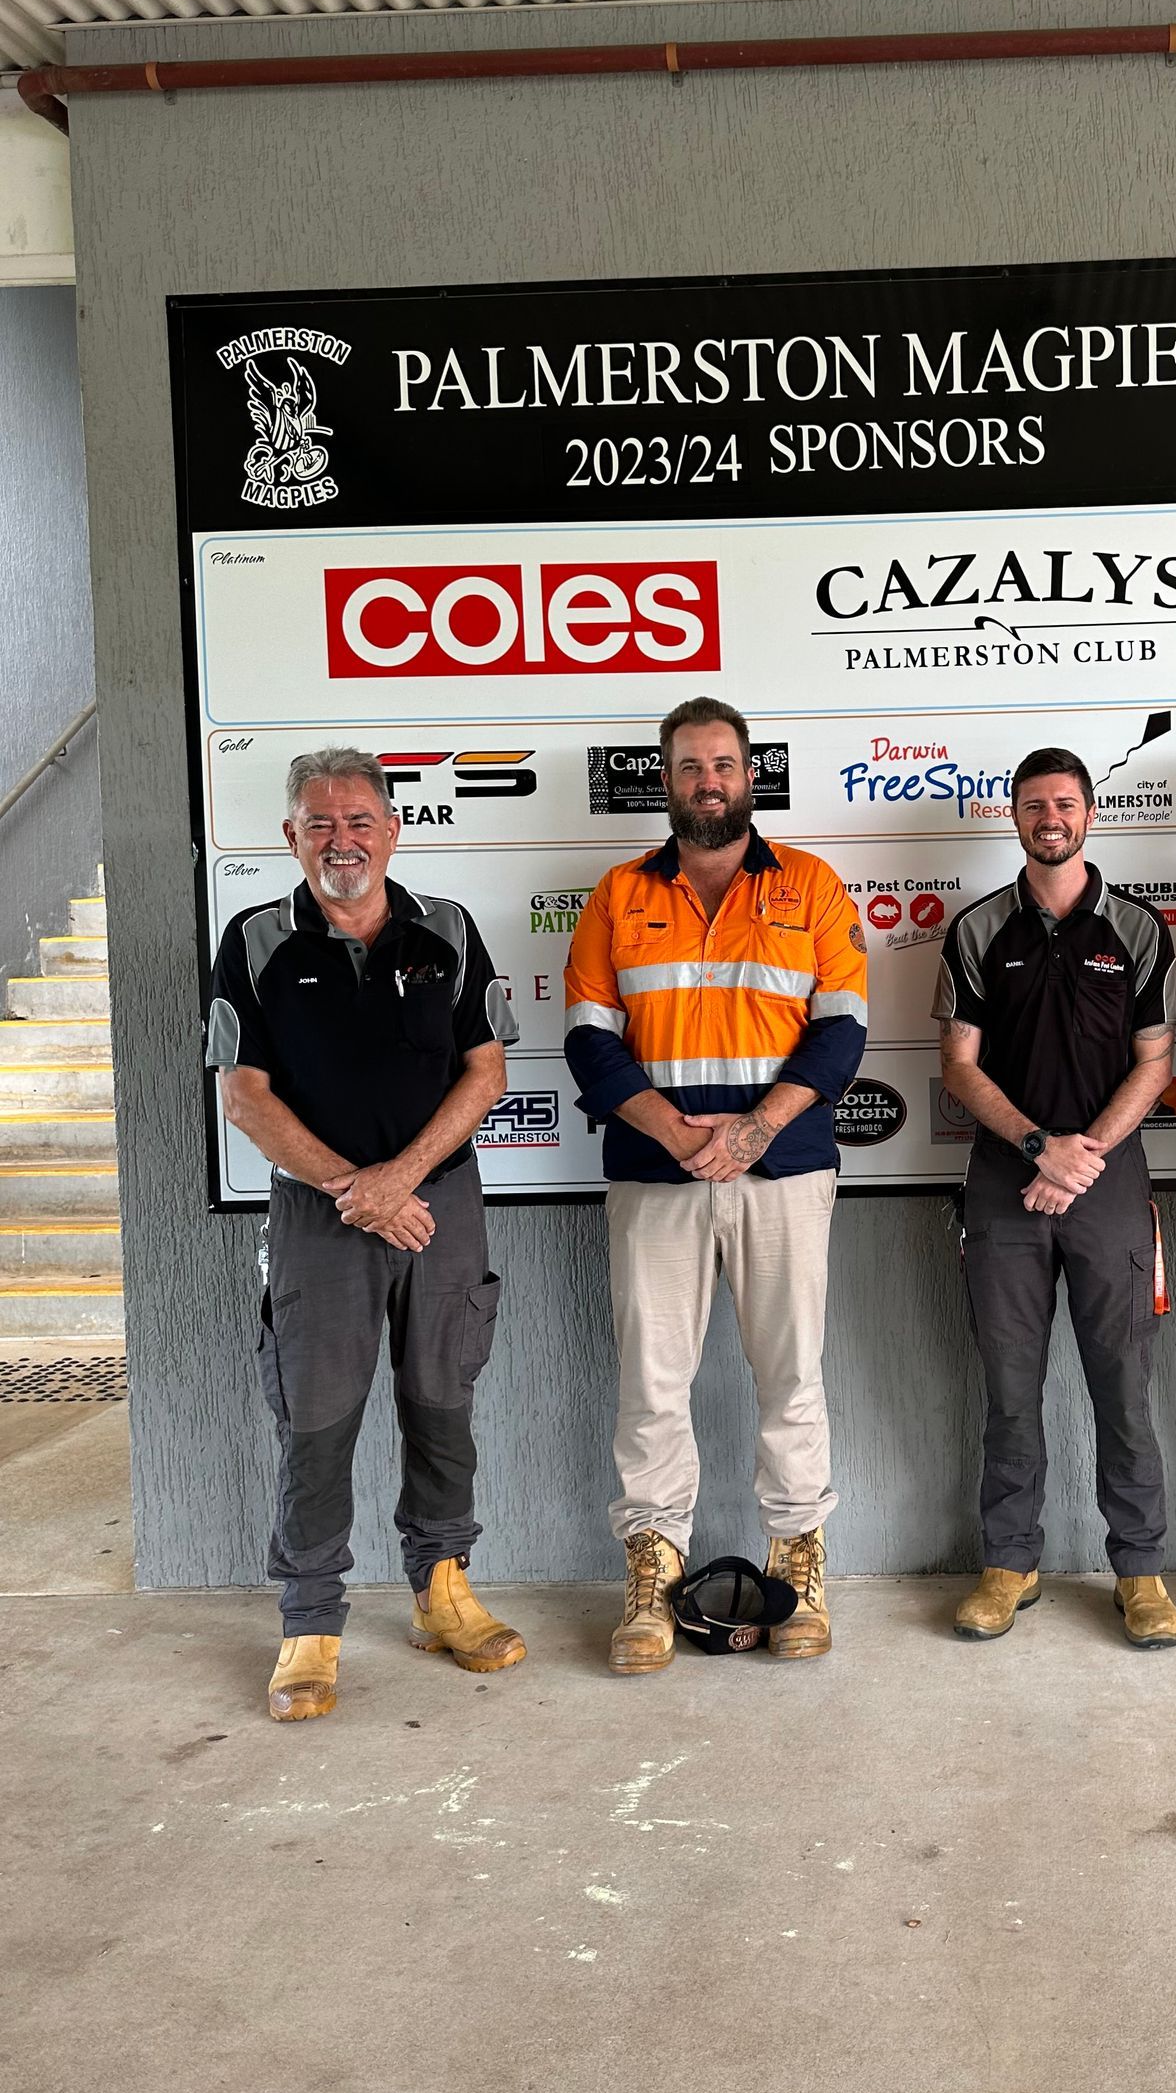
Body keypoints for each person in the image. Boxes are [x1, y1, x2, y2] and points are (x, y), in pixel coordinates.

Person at [206, 748, 525, 1724]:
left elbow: (486, 1073)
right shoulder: (255, 938)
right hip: (320, 1216)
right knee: (318, 1414)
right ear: (291, 836)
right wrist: (356, 1190)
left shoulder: (450, 929)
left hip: (440, 1204)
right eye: (318, 823)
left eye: (358, 821)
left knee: (441, 1400)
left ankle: (442, 1589)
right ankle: (310, 1622)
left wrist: (399, 1180)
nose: (340, 840)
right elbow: (242, 1093)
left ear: (392, 830)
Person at [564, 697, 866, 1673]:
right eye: (691, 766)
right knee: (652, 1385)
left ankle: (800, 1566)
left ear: (749, 775)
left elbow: (842, 1032)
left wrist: (752, 1128)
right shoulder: (617, 895)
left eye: (725, 764)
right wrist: (674, 1130)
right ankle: (653, 1581)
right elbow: (588, 1043)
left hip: (781, 1169)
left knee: (792, 1378)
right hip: (657, 1176)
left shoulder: (811, 887)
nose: (709, 781)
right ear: (666, 779)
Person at [935, 746, 1176, 1647]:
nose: (1052, 816)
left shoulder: (1141, 930)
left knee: (1124, 1386)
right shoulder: (973, 931)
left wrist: (1083, 1156)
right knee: (1009, 1389)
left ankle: (1142, 1572)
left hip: (1110, 1182)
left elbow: (1157, 1062)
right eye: (1035, 802)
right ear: (1013, 815)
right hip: (1006, 1180)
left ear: (1089, 815)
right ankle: (1010, 1563)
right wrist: (1040, 1146)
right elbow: (957, 1065)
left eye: (1067, 802)